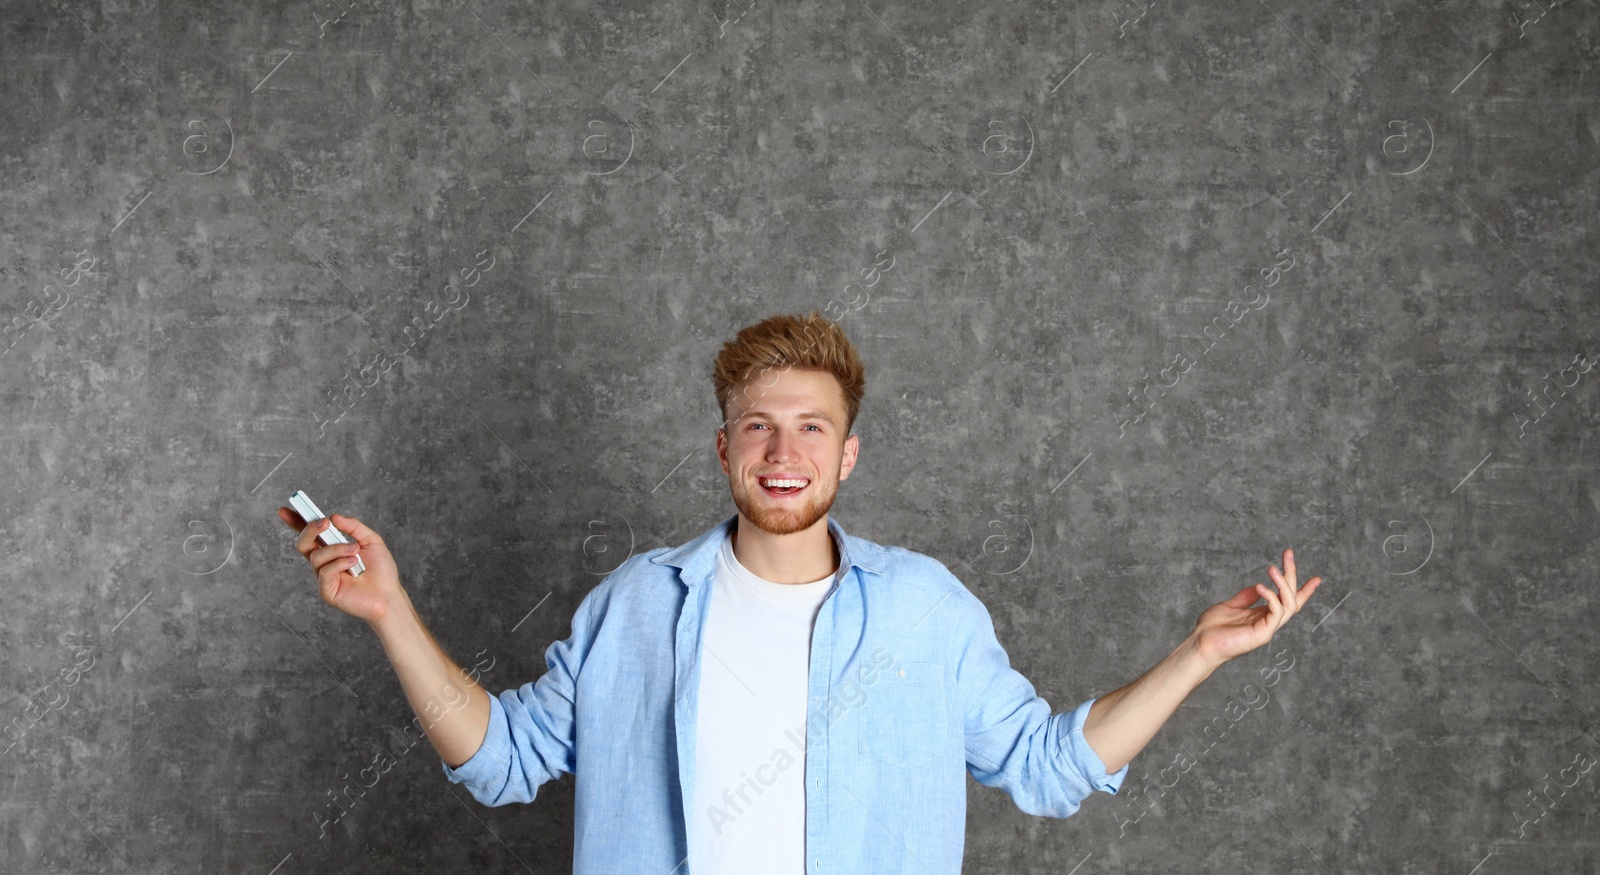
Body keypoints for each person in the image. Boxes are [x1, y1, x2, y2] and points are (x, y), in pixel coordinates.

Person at [280, 310, 1320, 874]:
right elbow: (503, 759)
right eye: (759, 425)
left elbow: (1046, 767)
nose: (783, 451)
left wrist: (1197, 654)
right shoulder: (639, 602)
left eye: (810, 426)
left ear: (848, 453)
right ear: (723, 444)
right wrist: (392, 613)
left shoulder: (925, 606)